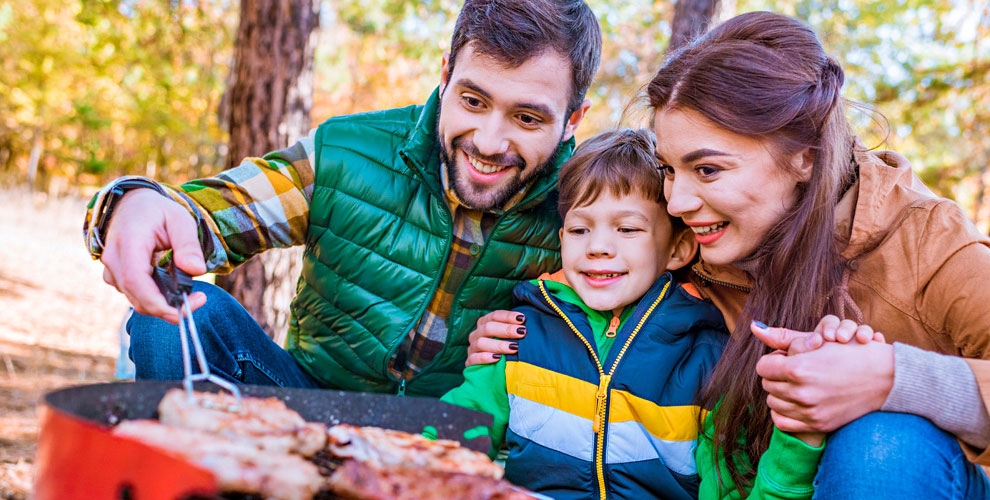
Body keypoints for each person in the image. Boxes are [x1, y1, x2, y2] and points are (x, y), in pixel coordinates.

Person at [466, 11, 990, 499]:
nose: (677, 201)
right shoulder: (688, 245)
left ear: (804, 158)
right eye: (670, 169)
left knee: (881, 442)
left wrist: (894, 377)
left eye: (709, 170)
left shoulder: (927, 242)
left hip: (901, 475)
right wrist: (529, 327)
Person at [82, 0, 602, 397]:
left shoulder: (590, 210)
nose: (488, 143)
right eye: (472, 100)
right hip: (306, 406)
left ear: (571, 121)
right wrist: (129, 204)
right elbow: (203, 216)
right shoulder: (345, 154)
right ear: (445, 75)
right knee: (180, 313)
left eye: (527, 118)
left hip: (462, 438)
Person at [444, 128, 826, 500]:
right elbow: (452, 441)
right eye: (579, 229)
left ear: (678, 249)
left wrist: (795, 446)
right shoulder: (521, 332)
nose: (598, 247)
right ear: (561, 240)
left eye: (627, 228)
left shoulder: (709, 359)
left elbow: (731, 490)